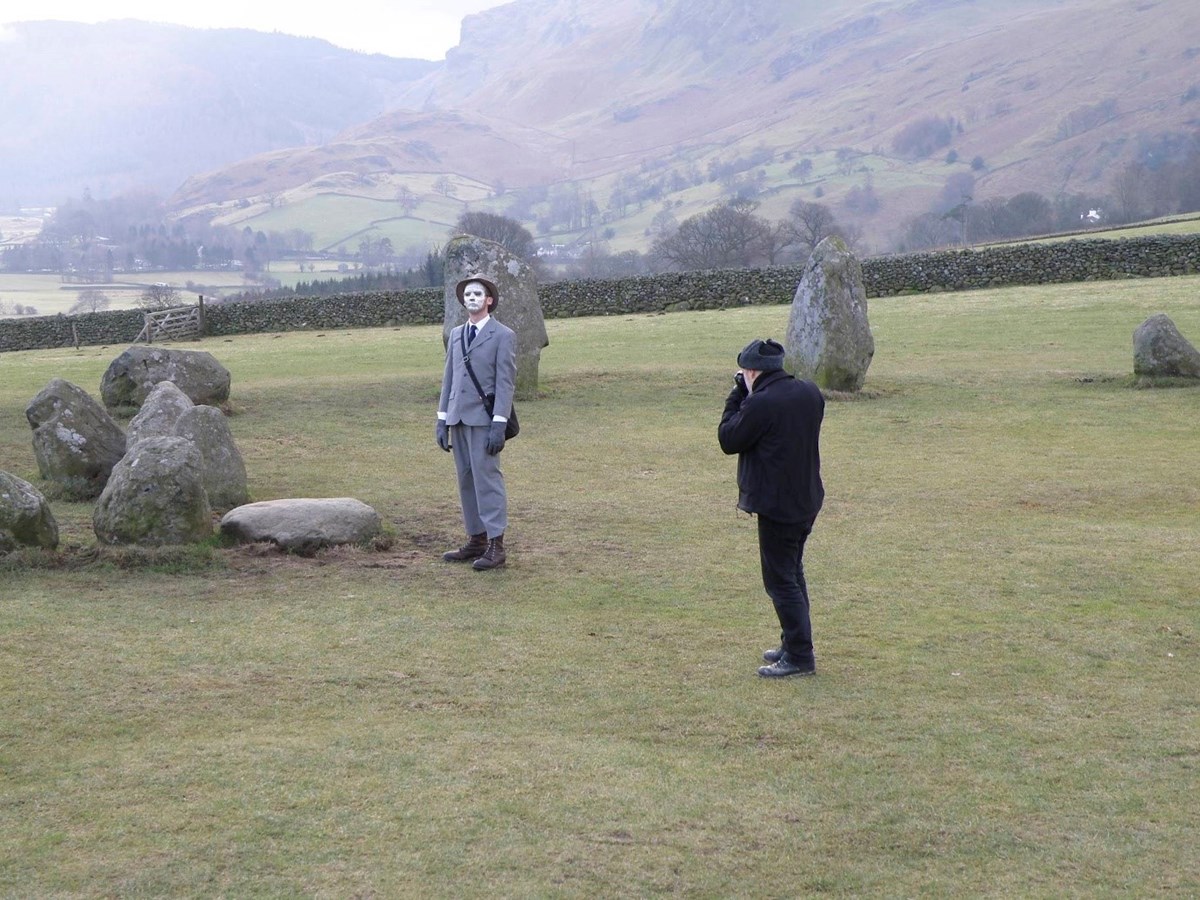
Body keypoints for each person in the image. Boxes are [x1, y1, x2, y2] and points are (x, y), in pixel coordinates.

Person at [718, 338, 825, 677]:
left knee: (781, 581)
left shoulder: (761, 404)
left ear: (751, 371)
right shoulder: (809, 392)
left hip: (778, 505)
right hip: (807, 497)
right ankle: (793, 643)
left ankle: (799, 657)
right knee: (793, 574)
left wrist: (737, 392)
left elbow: (727, 438)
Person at [436, 275, 517, 571]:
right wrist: (441, 419)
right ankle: (477, 538)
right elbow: (449, 378)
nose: (471, 298)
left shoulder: (503, 335)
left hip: (484, 420)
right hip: (457, 417)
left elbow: (506, 382)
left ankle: (496, 544)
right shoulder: (457, 334)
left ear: (489, 300)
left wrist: (499, 423)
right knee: (466, 480)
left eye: (477, 294)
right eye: (467, 294)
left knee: (488, 480)